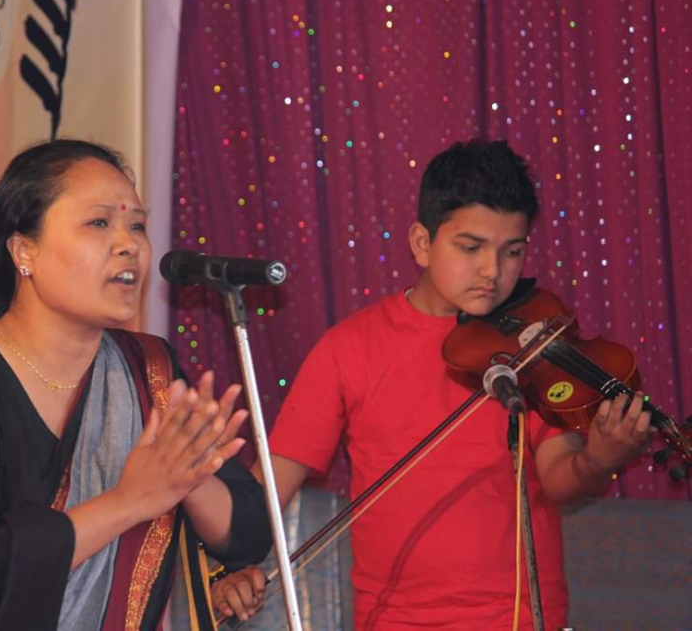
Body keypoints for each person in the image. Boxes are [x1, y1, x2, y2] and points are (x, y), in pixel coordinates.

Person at [210, 140, 651, 629]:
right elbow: (269, 487)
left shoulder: (532, 345)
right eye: (471, 247)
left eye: (513, 251)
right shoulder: (349, 348)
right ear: (422, 243)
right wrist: (227, 569)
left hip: (523, 619)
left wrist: (599, 458)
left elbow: (558, 478)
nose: (493, 272)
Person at [0, 139, 272, 630]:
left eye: (137, 225)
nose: (129, 243)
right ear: (24, 249)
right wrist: (128, 503)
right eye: (99, 223)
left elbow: (248, 535)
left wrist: (187, 477)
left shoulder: (147, 373)